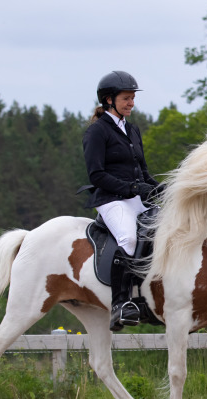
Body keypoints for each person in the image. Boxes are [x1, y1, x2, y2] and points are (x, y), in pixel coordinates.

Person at [81, 70, 163, 331]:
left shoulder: (132, 129)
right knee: (128, 238)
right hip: (111, 200)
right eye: (126, 98)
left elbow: (143, 171)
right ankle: (120, 304)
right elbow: (97, 175)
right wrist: (131, 187)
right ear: (109, 100)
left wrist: (160, 189)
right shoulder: (97, 132)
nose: (131, 103)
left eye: (132, 98)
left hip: (135, 196)